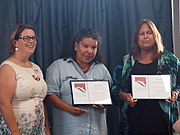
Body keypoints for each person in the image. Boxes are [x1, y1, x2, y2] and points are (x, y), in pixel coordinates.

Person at [111, 19, 180, 135]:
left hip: (164, 123)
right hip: (133, 123)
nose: (145, 36)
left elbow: (179, 84)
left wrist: (176, 93)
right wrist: (124, 96)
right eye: (141, 34)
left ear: (155, 35)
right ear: (136, 38)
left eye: (149, 33)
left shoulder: (170, 60)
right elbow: (114, 88)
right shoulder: (126, 62)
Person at [45, 28, 112, 135]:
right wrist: (69, 109)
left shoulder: (102, 69)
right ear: (76, 46)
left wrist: (104, 104)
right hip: (69, 129)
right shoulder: (58, 66)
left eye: (93, 47)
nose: (89, 51)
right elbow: (50, 95)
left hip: (97, 130)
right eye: (85, 46)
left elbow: (109, 94)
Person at [0, 24, 51, 135]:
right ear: (15, 42)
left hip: (38, 130)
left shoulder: (36, 68)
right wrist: (15, 132)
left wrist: (47, 127)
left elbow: (40, 101)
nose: (31, 41)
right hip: (17, 130)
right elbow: (3, 103)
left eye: (33, 38)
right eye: (26, 38)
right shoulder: (7, 68)